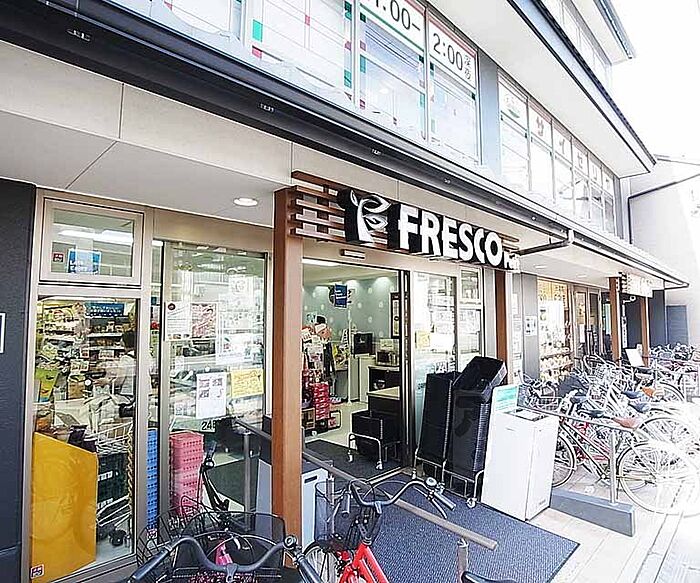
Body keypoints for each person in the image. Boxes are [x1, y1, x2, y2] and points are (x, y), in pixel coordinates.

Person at [113, 329, 137, 396]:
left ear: (123, 342)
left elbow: (119, 380)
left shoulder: (126, 358)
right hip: (146, 392)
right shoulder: (147, 355)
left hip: (129, 393)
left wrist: (108, 382)